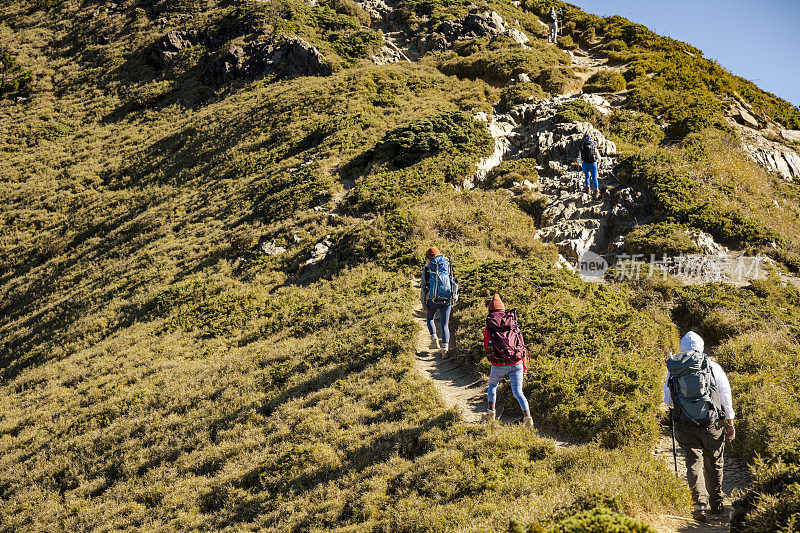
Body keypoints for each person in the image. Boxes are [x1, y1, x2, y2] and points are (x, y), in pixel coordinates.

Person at [664, 330, 736, 522]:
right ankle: (717, 503)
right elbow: (725, 395)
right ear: (702, 347)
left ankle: (699, 505)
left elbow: (668, 400)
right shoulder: (713, 366)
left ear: (682, 348)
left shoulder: (675, 368)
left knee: (693, 462)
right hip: (713, 423)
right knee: (715, 462)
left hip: (686, 425)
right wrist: (730, 421)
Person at [482, 294, 533, 428]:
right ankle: (528, 418)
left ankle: (490, 415)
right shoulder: (513, 324)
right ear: (504, 310)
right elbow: (522, 346)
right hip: (517, 363)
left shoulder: (489, 327)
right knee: (518, 392)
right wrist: (524, 366)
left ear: (490, 311)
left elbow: (486, 346)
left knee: (492, 386)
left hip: (498, 364)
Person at [420, 247, 457, 353]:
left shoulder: (427, 269)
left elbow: (423, 287)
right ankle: (445, 348)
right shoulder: (447, 265)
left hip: (433, 299)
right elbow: (453, 280)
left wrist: (424, 304)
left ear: (429, 258)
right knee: (445, 325)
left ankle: (434, 338)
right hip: (446, 299)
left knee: (430, 318)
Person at [577, 135, 601, 200]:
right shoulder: (594, 147)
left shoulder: (582, 148)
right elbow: (599, 158)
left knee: (587, 176)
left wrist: (579, 162)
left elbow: (580, 159)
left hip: (585, 164)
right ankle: (596, 191)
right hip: (593, 164)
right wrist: (598, 163)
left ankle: (587, 189)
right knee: (594, 178)